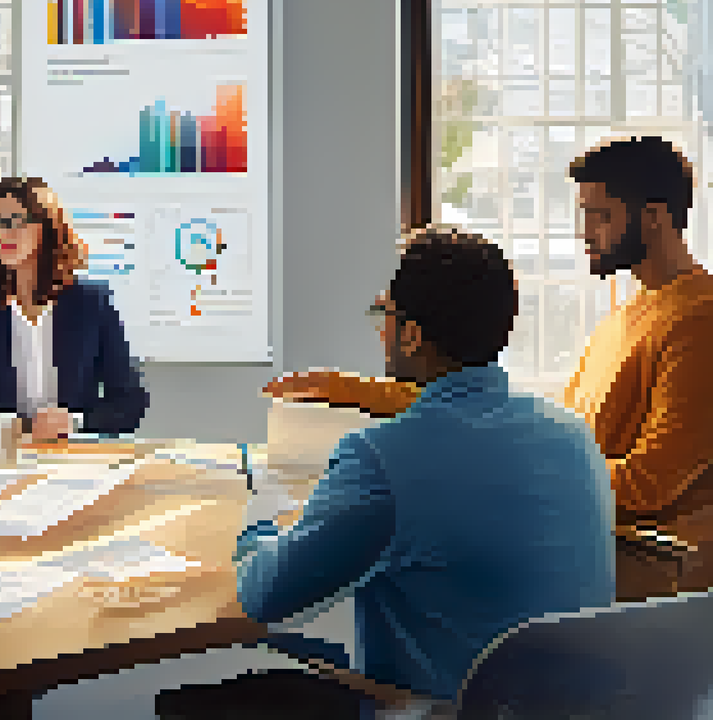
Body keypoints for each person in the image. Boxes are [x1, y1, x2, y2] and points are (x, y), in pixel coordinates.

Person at [159, 227, 615, 718]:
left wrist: (259, 518)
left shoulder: (382, 458)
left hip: (433, 711)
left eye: (385, 314)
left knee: (190, 705)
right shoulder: (573, 435)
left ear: (413, 334)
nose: (381, 329)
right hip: (564, 708)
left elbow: (264, 597)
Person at [266, 135, 713, 601]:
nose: (584, 231)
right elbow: (523, 422)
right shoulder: (630, 315)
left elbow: (648, 489)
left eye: (600, 215)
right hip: (594, 559)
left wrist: (520, 468)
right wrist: (356, 392)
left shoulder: (701, 323)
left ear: (656, 216)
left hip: (650, 586)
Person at [0, 176, 148, 446]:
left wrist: (75, 422)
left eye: (10, 222)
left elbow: (130, 403)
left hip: (74, 459)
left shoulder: (92, 303)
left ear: (47, 226)